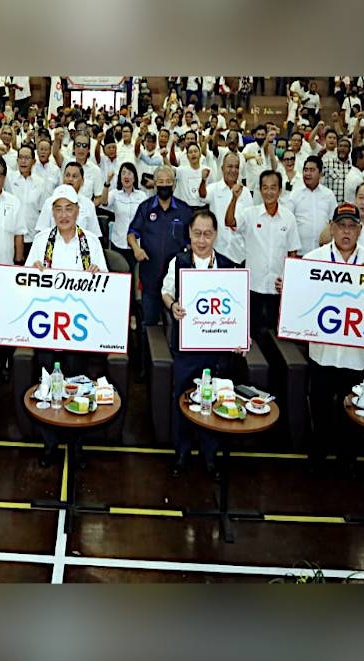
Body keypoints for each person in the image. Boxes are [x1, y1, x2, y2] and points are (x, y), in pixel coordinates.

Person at [25, 184, 108, 469]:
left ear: (77, 211)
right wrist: (33, 270)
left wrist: (97, 275)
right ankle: (49, 444)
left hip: (77, 331)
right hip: (47, 329)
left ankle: (76, 445)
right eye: (58, 209)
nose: (63, 215)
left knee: (77, 386)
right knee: (46, 385)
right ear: (52, 212)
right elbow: (25, 280)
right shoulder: (41, 240)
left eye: (68, 208)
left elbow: (106, 285)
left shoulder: (91, 242)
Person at [161, 209, 242, 480]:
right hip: (186, 346)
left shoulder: (230, 266)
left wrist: (241, 337)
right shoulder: (178, 261)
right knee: (183, 398)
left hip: (217, 348)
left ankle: (210, 456)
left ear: (216, 235)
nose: (202, 240)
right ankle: (182, 452)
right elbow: (165, 291)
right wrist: (173, 305)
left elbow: (238, 308)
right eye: (197, 234)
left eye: (208, 234)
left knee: (214, 399)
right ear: (189, 234)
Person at [302, 203, 364, 466]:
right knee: (320, 408)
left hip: (356, 356)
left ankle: (348, 459)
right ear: (332, 228)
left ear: (360, 230)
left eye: (351, 226)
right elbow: (301, 304)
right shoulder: (312, 260)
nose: (346, 232)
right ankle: (317, 456)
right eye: (341, 226)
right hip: (322, 353)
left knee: (354, 410)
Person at [238, 170, 301, 335]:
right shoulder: (250, 214)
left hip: (277, 288)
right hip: (254, 286)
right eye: (265, 187)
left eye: (273, 187)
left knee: (274, 335)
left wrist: (290, 281)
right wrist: (233, 199)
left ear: (280, 190)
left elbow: (292, 252)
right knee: (251, 333)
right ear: (259, 190)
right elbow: (230, 222)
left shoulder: (289, 218)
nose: (269, 192)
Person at [127, 165, 191, 325]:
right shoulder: (145, 208)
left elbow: (192, 241)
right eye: (161, 181)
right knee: (149, 324)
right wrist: (136, 248)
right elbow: (132, 233)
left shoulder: (185, 210)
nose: (164, 185)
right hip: (150, 274)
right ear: (154, 184)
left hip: (176, 279)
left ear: (174, 185)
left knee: (179, 323)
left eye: (168, 181)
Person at [201, 152, 251, 266]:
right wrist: (203, 181)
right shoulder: (214, 188)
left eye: (236, 167)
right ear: (222, 168)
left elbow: (248, 222)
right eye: (230, 166)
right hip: (219, 250)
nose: (233, 170)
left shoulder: (246, 192)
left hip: (240, 252)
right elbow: (202, 196)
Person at [285, 155, 338, 256]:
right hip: (299, 253)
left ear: (320, 173)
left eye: (312, 170)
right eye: (306, 170)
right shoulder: (295, 194)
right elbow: (288, 221)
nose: (308, 173)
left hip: (323, 254)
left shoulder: (328, 195)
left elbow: (334, 221)